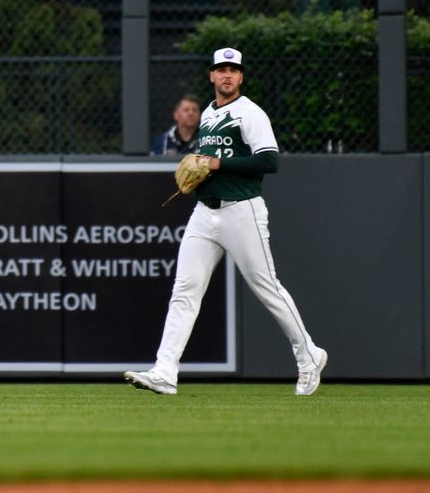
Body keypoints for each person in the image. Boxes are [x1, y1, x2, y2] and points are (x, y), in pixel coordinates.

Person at [124, 48, 327, 397]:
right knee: (185, 290)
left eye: (233, 69)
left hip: (242, 210)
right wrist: (203, 171)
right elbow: (212, 161)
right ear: (212, 76)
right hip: (205, 212)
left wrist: (219, 165)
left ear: (241, 77)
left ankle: (309, 356)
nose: (227, 75)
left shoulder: (250, 113)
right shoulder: (206, 114)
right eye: (221, 69)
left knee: (267, 288)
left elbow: (270, 162)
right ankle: (165, 371)